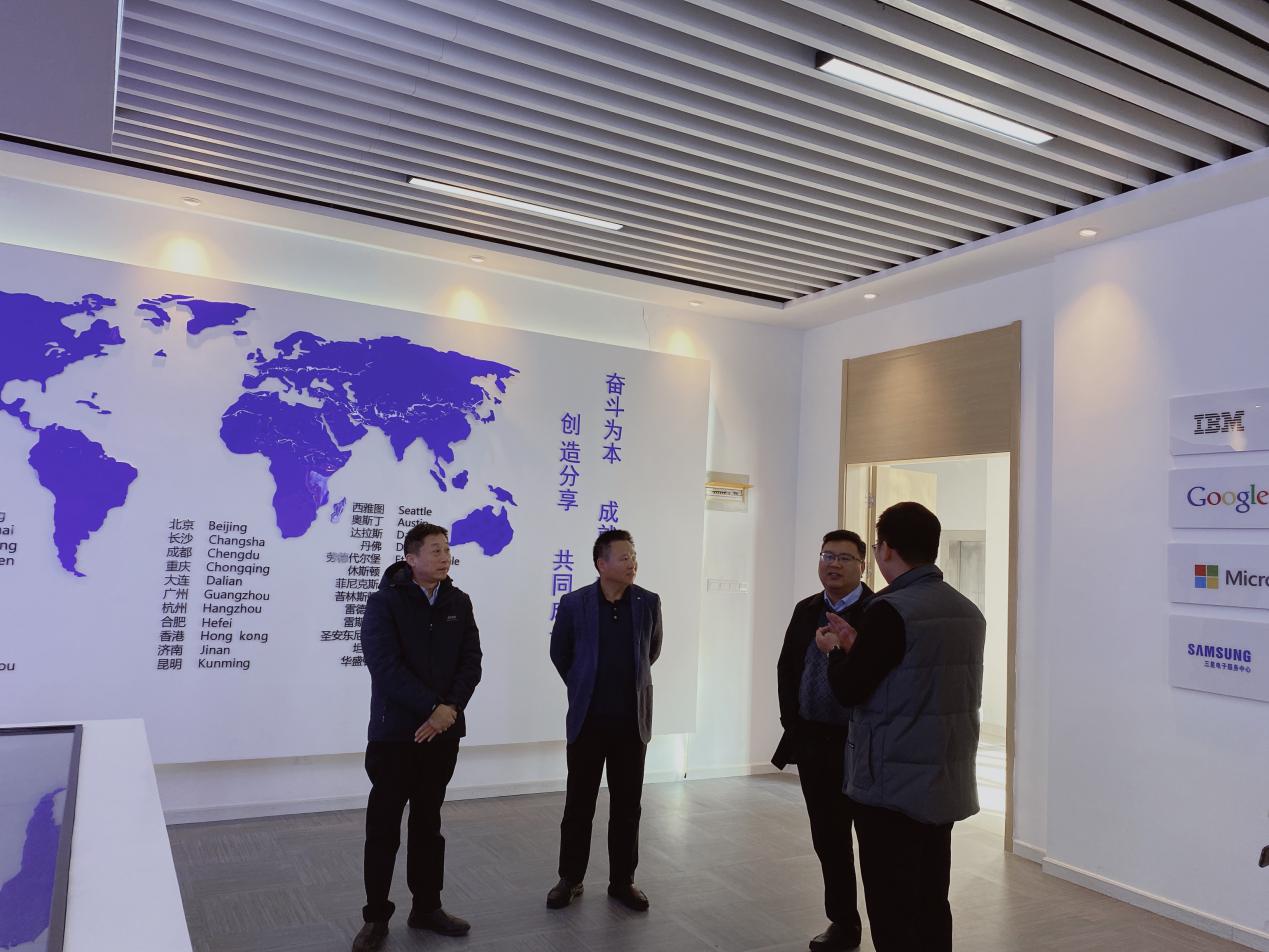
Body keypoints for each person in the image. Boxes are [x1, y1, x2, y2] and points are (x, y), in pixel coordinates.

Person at [817, 502, 985, 952]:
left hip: (891, 781)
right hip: (942, 775)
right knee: (931, 900)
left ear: (887, 549)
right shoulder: (967, 610)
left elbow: (850, 690)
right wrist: (860, 647)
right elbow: (913, 675)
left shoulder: (890, 610)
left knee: (892, 908)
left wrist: (836, 651)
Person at [351, 522, 482, 952]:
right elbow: (384, 666)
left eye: (447, 549)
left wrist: (449, 711)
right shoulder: (384, 602)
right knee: (384, 828)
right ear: (411, 558)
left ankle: (427, 907)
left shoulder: (459, 602)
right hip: (395, 734)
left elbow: (472, 661)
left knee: (429, 824)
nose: (445, 557)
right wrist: (433, 708)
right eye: (435, 550)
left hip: (443, 734)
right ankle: (375, 917)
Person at [546, 529, 663, 912]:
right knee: (579, 804)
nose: (632, 563)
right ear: (601, 564)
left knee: (628, 806)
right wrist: (583, 683)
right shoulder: (575, 603)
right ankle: (570, 878)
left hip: (631, 722)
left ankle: (622, 882)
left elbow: (651, 651)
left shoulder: (648, 602)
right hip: (588, 721)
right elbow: (560, 652)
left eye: (634, 556)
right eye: (624, 557)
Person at [772, 530, 872, 951]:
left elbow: (875, 676)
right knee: (829, 839)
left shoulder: (877, 612)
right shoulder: (807, 609)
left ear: (862, 565)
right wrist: (793, 725)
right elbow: (787, 668)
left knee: (873, 841)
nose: (833, 564)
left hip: (862, 744)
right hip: (815, 742)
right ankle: (844, 923)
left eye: (844, 558)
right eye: (827, 556)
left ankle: (888, 926)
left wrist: (840, 652)